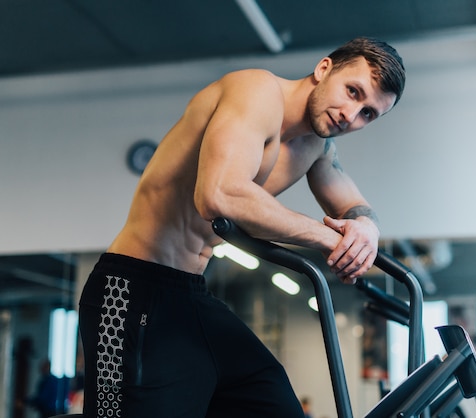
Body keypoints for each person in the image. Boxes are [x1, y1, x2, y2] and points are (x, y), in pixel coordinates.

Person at [78, 37, 405, 418]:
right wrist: (327, 238)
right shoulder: (256, 91)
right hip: (129, 290)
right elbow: (219, 195)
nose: (351, 114)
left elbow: (353, 206)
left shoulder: (316, 146)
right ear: (323, 69)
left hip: (190, 293)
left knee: (270, 401)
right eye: (353, 92)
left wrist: (367, 227)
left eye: (368, 113)